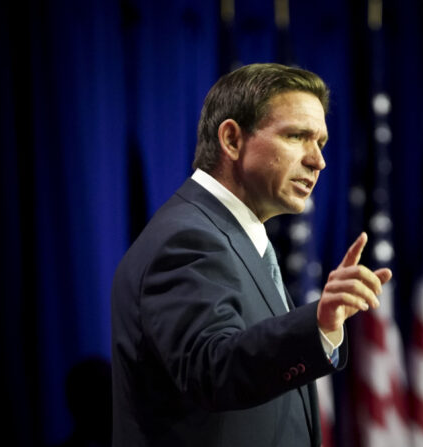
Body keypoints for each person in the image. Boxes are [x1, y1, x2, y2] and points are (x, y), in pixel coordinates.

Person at [111, 63, 392, 447]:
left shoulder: (234, 234)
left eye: (321, 143)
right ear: (231, 139)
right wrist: (317, 325)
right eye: (297, 136)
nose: (318, 161)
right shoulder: (189, 237)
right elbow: (213, 370)